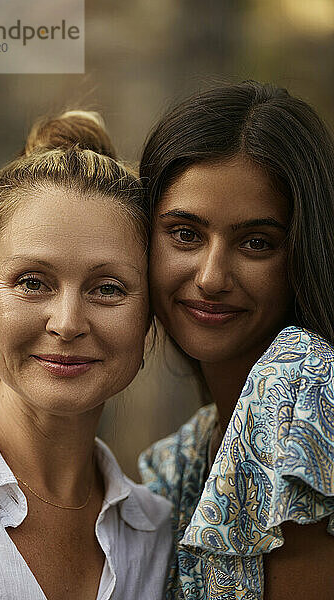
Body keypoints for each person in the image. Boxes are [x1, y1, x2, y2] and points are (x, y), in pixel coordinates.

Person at [0, 109, 172, 600]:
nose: (67, 323)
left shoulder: (159, 535)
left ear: (149, 318)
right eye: (32, 282)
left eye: (107, 288)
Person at [138, 81, 334, 599]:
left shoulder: (301, 384)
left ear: (303, 254)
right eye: (185, 233)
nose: (211, 276)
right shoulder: (178, 459)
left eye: (256, 242)